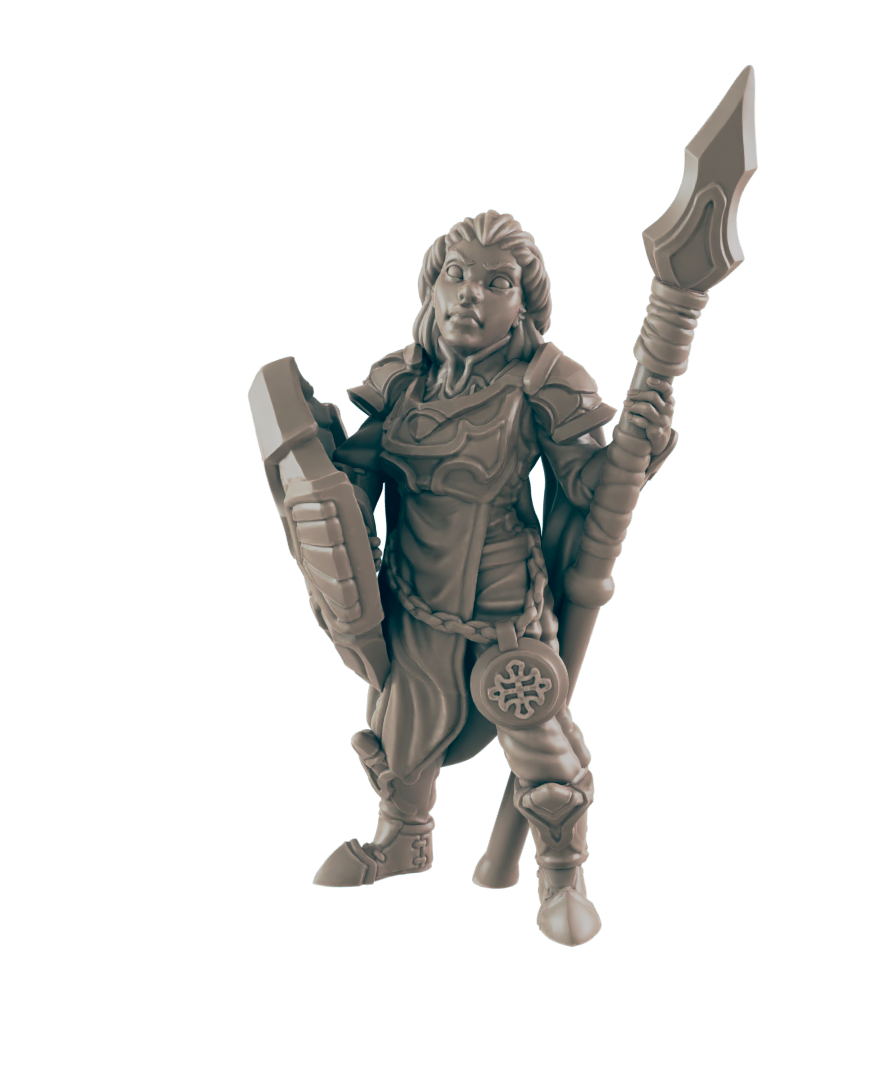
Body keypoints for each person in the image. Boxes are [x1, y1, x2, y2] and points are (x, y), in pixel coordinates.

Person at [296, 210, 675, 946]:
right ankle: (404, 842)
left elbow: (587, 486)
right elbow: (350, 473)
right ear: (432, 289)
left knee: (533, 725)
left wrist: (637, 448)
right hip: (413, 587)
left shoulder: (543, 381)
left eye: (495, 282)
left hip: (504, 593)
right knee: (404, 721)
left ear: (523, 306)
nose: (469, 293)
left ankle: (561, 877)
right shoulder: (402, 382)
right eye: (455, 275)